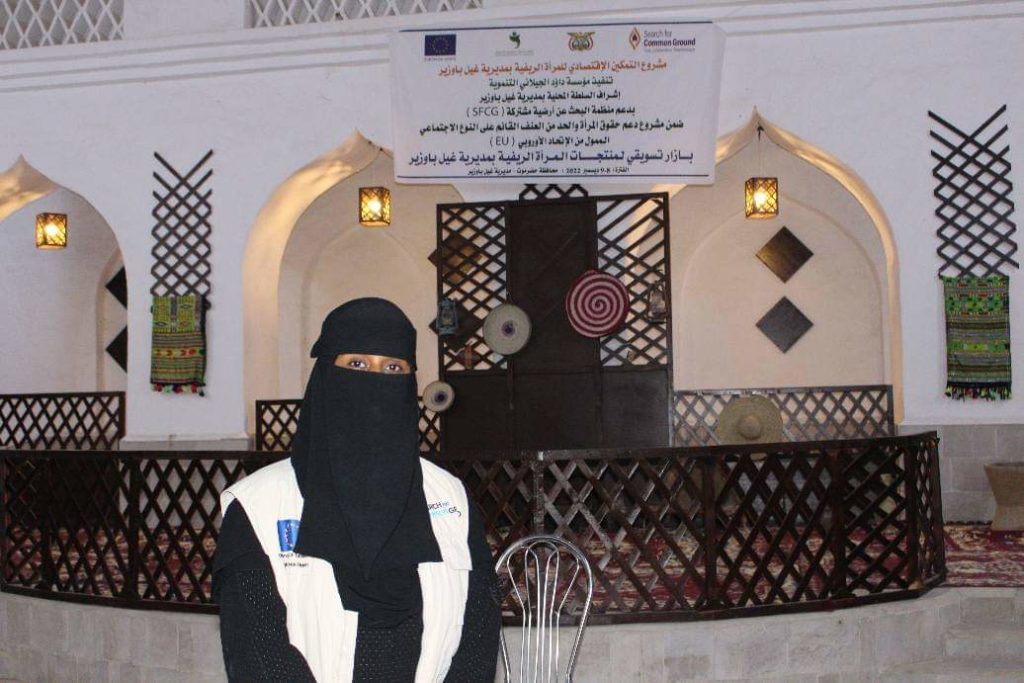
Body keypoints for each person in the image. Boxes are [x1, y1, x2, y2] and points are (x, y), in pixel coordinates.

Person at [213, 298, 501, 682]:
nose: (376, 380)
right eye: (358, 365)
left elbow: (478, 630)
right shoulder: (259, 506)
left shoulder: (449, 498)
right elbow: (258, 652)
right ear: (325, 376)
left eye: (394, 367)